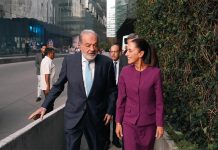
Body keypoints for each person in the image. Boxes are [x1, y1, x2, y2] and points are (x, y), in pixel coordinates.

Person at [28, 30, 117, 150]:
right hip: (74, 116)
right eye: (88, 45)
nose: (92, 49)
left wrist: (110, 110)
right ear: (79, 45)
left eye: (95, 45)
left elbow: (112, 90)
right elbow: (58, 86)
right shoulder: (69, 61)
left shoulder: (106, 63)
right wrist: (45, 105)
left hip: (97, 116)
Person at [115, 38, 164, 150]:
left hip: (149, 124)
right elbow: (121, 100)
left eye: (130, 51)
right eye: (127, 50)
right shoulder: (125, 72)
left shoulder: (155, 73)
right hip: (129, 124)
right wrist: (118, 122)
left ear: (141, 53)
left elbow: (159, 102)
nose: (126, 54)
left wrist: (160, 124)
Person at [107, 44, 122, 148]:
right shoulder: (106, 64)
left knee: (117, 118)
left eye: (115, 51)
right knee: (106, 119)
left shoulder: (124, 65)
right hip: (108, 96)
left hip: (120, 95)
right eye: (111, 51)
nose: (113, 53)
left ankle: (115, 140)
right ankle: (106, 140)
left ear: (120, 52)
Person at [40, 47, 56, 112]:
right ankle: (47, 115)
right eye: (53, 53)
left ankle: (47, 113)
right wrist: (48, 87)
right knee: (49, 104)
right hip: (48, 86)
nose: (55, 55)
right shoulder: (47, 61)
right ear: (49, 53)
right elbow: (47, 75)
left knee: (49, 102)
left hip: (47, 85)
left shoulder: (46, 60)